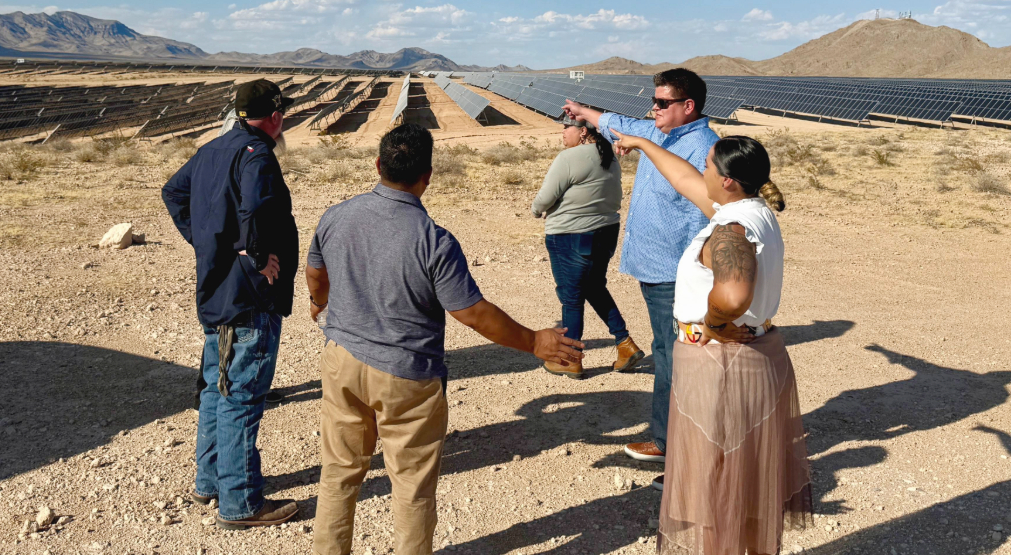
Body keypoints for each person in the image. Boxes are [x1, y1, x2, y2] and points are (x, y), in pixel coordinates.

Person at [306, 123, 584, 555]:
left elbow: (316, 273)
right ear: (428, 176)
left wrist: (318, 303)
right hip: (407, 379)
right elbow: (472, 313)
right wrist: (534, 341)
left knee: (339, 473)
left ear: (377, 165)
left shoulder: (336, 215)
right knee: (411, 487)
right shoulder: (434, 241)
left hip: (341, 360)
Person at [609, 131, 812, 555]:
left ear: (726, 180)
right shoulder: (750, 210)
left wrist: (714, 322)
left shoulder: (731, 228)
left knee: (720, 481)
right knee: (744, 481)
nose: (701, 171)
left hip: (723, 362)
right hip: (751, 356)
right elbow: (683, 178)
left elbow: (734, 294)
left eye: (707, 166)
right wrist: (643, 145)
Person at [564, 68, 719, 488]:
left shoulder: (705, 148)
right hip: (655, 267)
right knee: (666, 352)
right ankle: (674, 440)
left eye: (662, 102)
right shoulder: (663, 134)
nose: (653, 108)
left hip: (676, 272)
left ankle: (674, 445)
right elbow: (622, 124)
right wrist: (582, 111)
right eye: (654, 101)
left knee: (675, 358)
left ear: (688, 107)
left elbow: (715, 209)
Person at [160, 79, 301, 529]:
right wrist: (257, 257)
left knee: (215, 387)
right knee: (241, 393)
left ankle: (209, 481)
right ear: (274, 116)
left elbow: (174, 193)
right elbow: (257, 212)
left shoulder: (211, 150)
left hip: (218, 290)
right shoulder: (256, 156)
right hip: (249, 297)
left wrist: (208, 243)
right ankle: (240, 502)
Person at [531, 114, 643, 378]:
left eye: (566, 127)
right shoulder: (610, 157)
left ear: (583, 132)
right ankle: (624, 343)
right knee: (594, 287)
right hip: (606, 233)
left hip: (570, 236)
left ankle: (570, 359)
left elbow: (545, 197)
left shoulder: (569, 158)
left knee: (571, 297)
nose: (562, 131)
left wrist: (537, 210)